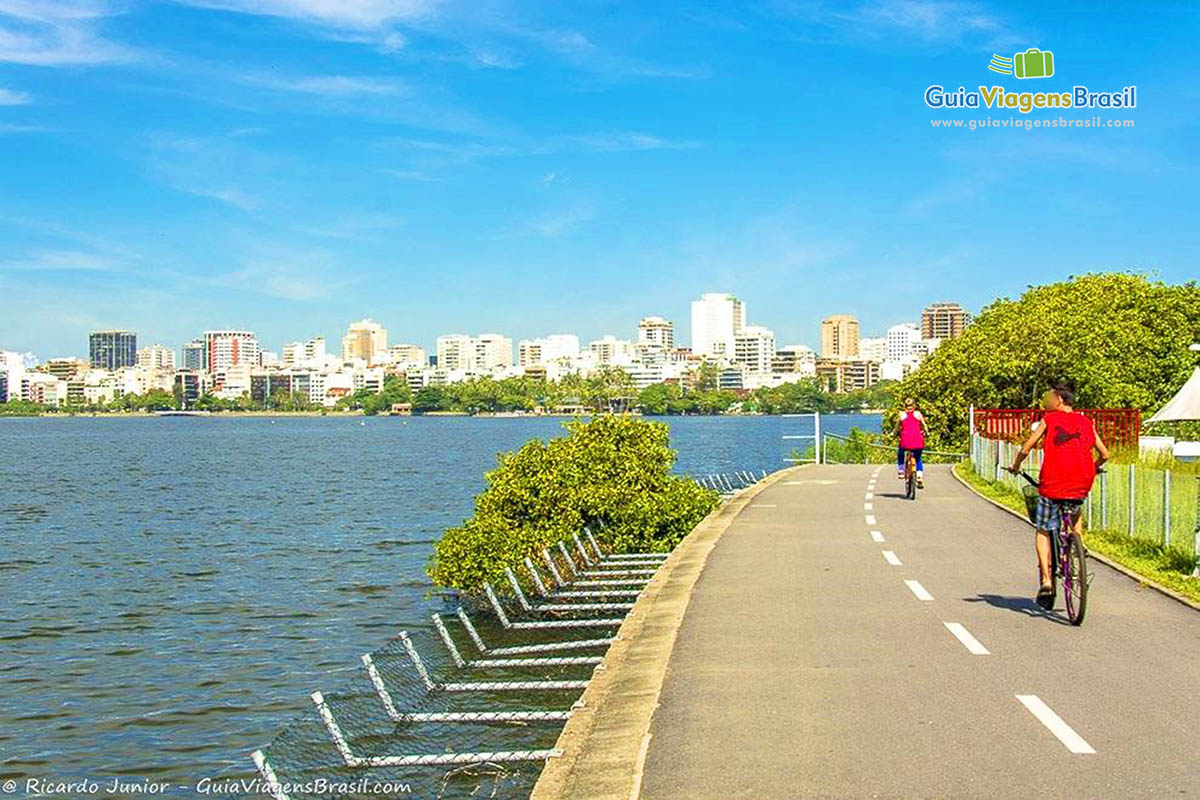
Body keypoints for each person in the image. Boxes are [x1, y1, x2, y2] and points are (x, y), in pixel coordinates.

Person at [1008, 382, 1109, 609]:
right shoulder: (1086, 422)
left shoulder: (1050, 420)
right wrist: (1093, 467)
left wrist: (1015, 466)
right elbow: (1105, 454)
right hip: (1081, 481)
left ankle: (1046, 581)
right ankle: (1077, 544)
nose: (1047, 401)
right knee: (1075, 509)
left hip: (1053, 483)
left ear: (1059, 400)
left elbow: (1026, 448)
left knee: (1043, 529)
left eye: (1049, 397)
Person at [896, 398, 929, 487]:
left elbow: (896, 428)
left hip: (905, 441)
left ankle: (901, 470)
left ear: (904, 406)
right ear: (914, 406)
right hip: (918, 441)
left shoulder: (902, 415)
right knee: (918, 458)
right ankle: (919, 476)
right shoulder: (918, 414)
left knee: (900, 453)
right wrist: (927, 432)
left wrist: (893, 433)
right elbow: (924, 426)